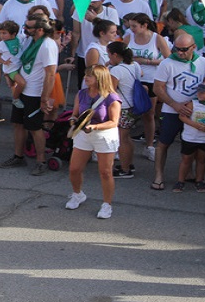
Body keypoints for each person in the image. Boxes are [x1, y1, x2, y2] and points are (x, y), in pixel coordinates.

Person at [152, 34, 205, 191]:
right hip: (171, 110)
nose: (179, 53)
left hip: (196, 111)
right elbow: (157, 88)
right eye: (177, 49)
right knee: (163, 143)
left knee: (194, 143)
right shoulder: (167, 63)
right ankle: (159, 175)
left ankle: (191, 174)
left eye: (184, 50)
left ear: (194, 47)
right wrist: (175, 104)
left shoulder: (203, 62)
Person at [0, 16, 59, 175]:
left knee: (34, 127)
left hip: (35, 93)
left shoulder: (47, 45)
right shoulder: (28, 41)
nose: (24, 28)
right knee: (18, 124)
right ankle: (18, 156)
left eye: (28, 26)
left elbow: (51, 74)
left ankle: (41, 161)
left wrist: (44, 98)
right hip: (22, 89)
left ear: (40, 29)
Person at [65, 65, 122, 219]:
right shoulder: (81, 94)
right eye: (85, 75)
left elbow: (114, 122)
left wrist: (95, 126)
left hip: (104, 136)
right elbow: (75, 113)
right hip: (84, 134)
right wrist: (73, 120)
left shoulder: (112, 97)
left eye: (90, 76)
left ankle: (107, 204)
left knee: (105, 172)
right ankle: (78, 194)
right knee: (74, 169)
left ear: (100, 78)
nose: (86, 78)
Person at [123, 13, 171, 161]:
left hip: (151, 78)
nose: (131, 29)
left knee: (149, 113)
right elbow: (122, 54)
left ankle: (149, 146)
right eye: (130, 26)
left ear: (144, 26)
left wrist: (147, 61)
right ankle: (121, 143)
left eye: (134, 26)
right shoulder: (129, 37)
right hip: (131, 77)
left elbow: (168, 59)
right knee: (126, 112)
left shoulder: (157, 38)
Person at [172, 82, 205, 193]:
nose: (199, 94)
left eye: (203, 92)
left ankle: (199, 181)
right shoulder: (193, 103)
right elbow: (182, 117)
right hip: (190, 137)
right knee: (186, 159)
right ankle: (180, 181)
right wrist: (195, 125)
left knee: (202, 160)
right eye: (198, 91)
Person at [107, 41, 141, 178]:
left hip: (123, 108)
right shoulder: (135, 65)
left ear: (115, 54)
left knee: (121, 139)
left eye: (109, 54)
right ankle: (128, 164)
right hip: (134, 106)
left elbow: (111, 91)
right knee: (127, 137)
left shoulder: (116, 70)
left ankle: (125, 169)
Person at [70, 0, 119, 86]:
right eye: (88, 1)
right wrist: (72, 55)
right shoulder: (79, 10)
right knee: (84, 82)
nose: (90, 4)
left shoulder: (111, 12)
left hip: (106, 52)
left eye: (94, 2)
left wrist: (95, 20)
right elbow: (76, 33)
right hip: (84, 52)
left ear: (102, 1)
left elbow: (111, 31)